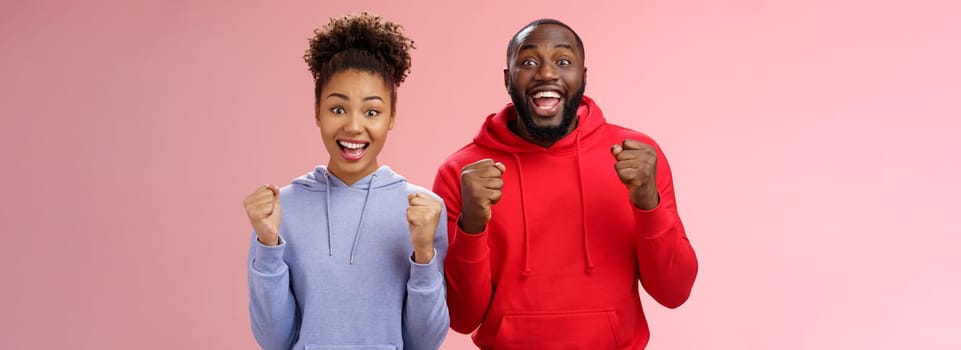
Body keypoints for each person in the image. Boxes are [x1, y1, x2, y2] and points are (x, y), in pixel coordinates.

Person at [432, 19, 698, 349]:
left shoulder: (638, 157)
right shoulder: (463, 171)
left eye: (563, 61)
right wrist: (471, 226)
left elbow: (674, 291)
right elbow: (462, 317)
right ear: (507, 79)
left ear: (583, 76)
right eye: (528, 62)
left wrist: (648, 203)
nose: (546, 74)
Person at [244, 13, 448, 350]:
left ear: (391, 117)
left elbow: (424, 343)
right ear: (317, 111)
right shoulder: (281, 209)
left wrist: (424, 254)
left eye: (371, 112)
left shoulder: (423, 210)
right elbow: (274, 340)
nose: (354, 127)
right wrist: (267, 244)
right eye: (338, 109)